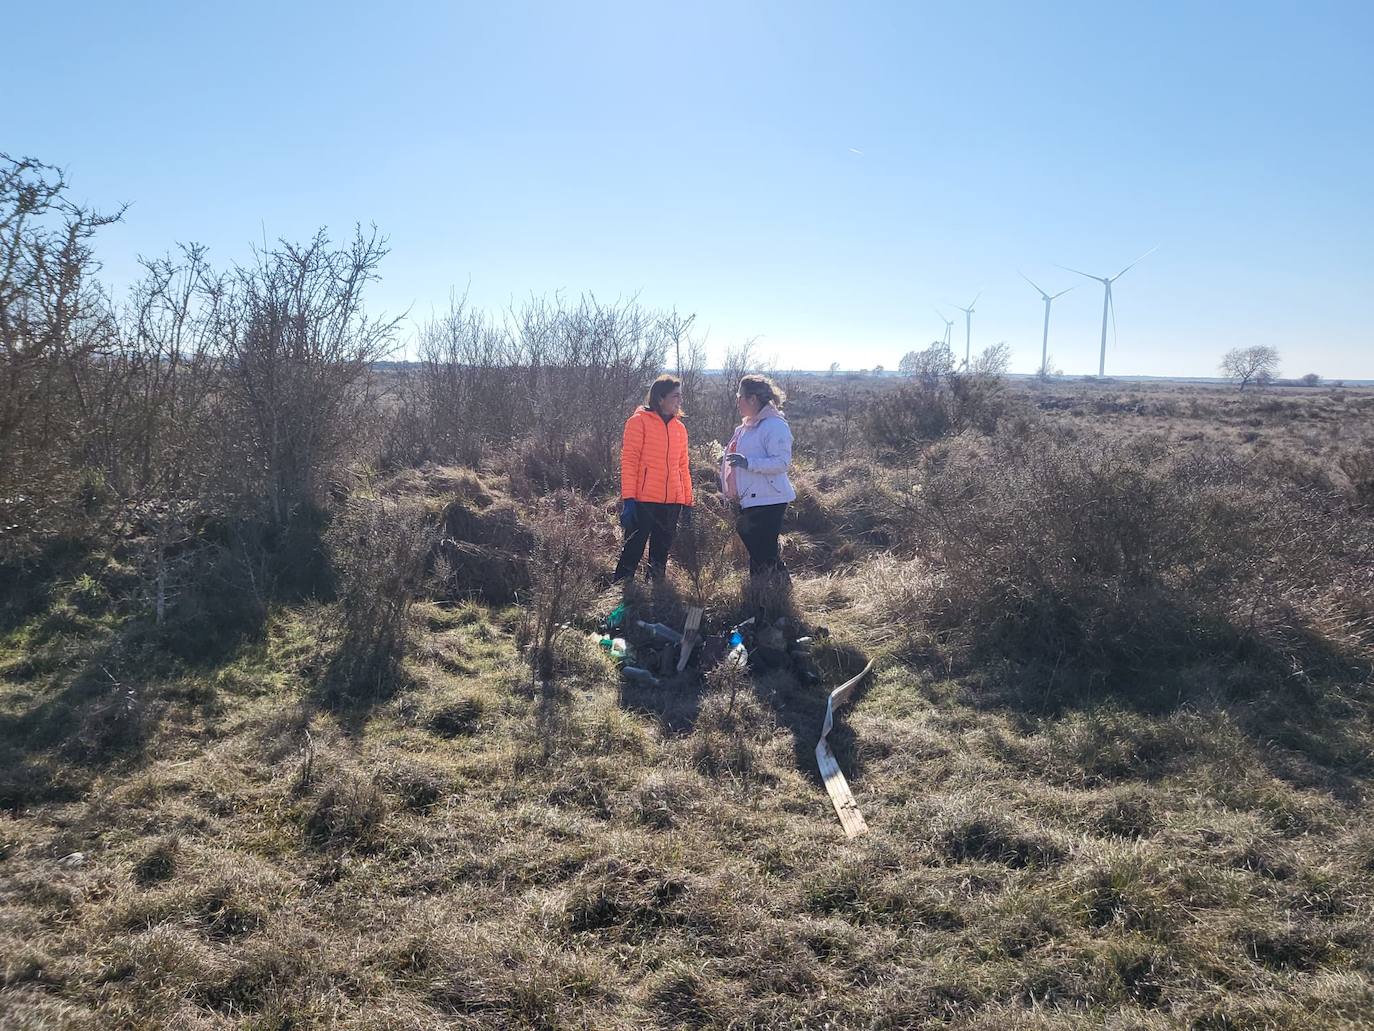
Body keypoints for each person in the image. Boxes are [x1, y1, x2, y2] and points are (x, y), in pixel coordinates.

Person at [613, 375, 694, 583]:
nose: (679, 401)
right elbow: (629, 461)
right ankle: (621, 594)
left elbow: (683, 467)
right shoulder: (638, 422)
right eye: (675, 396)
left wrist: (688, 502)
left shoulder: (680, 429)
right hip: (643, 500)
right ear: (660, 398)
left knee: (661, 553)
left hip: (672, 501)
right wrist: (629, 499)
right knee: (633, 548)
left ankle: (655, 595)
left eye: (680, 396)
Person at [722, 374, 795, 577]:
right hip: (750, 499)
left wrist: (748, 463)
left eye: (740, 396)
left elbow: (781, 462)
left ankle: (775, 597)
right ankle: (761, 596)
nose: (737, 401)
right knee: (759, 554)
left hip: (770, 499)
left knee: (764, 554)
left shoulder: (774, 425)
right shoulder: (747, 426)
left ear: (753, 398)